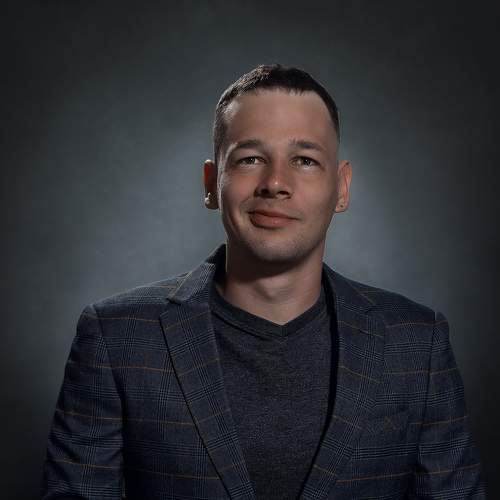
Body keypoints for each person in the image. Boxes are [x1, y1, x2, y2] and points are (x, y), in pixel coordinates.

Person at [41, 64, 486, 500]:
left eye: (305, 160)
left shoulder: (417, 343)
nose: (275, 183)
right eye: (250, 159)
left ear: (342, 188)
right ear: (212, 184)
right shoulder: (116, 338)